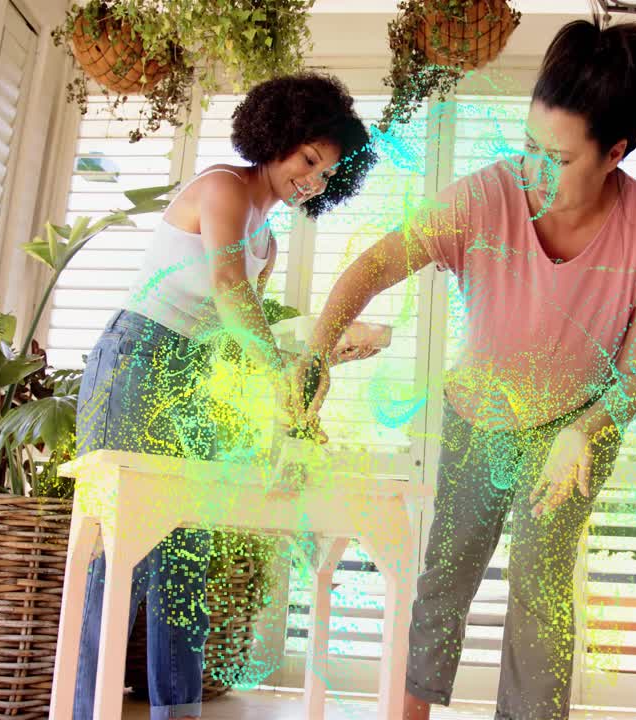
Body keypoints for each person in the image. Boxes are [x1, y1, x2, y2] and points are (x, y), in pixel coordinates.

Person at [287, 19, 636, 720]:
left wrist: (588, 431)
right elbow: (378, 263)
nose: (533, 169)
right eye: (529, 145)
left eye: (557, 159)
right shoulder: (485, 197)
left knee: (540, 583)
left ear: (614, 153)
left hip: (574, 428)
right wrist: (318, 349)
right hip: (479, 416)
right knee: (446, 575)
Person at [71, 72, 375, 720]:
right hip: (137, 360)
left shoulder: (268, 234)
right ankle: (80, 711)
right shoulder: (222, 188)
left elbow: (239, 338)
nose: (313, 180)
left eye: (326, 173)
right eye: (309, 160)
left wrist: (317, 363)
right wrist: (283, 375)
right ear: (279, 136)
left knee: (186, 553)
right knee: (121, 552)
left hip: (191, 378)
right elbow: (229, 289)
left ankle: (175, 713)